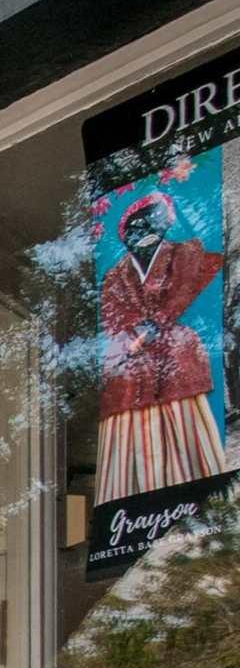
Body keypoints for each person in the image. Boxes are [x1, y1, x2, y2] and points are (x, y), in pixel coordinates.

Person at [98, 185, 229, 503]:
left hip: (174, 356)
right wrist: (132, 338)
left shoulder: (184, 255)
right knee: (129, 429)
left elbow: (183, 291)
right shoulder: (115, 277)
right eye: (136, 226)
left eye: (151, 222)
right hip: (132, 368)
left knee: (185, 429)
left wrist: (155, 324)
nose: (144, 231)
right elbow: (113, 318)